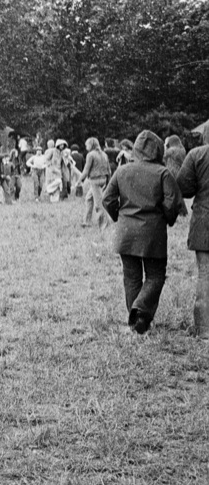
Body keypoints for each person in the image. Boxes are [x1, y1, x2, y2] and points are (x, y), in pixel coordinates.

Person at [102, 130, 179, 335]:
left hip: (125, 233)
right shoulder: (163, 173)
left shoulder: (122, 171)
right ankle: (140, 312)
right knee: (156, 276)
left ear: (135, 148)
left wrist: (120, 217)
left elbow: (107, 199)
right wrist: (167, 219)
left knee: (131, 278)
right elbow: (172, 203)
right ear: (158, 150)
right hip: (153, 234)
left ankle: (136, 322)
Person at [177, 123, 209, 337]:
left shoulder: (197, 154)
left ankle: (204, 329)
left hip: (204, 221)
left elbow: (184, 188)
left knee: (205, 275)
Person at [81, 137, 112, 227]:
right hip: (103, 179)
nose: (86, 146)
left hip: (95, 180)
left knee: (98, 204)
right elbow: (109, 170)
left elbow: (86, 170)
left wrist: (79, 181)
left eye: (87, 145)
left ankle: (104, 224)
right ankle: (86, 222)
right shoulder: (104, 154)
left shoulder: (90, 155)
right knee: (88, 199)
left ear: (91, 145)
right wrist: (108, 181)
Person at [164, 135, 188, 218]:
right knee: (177, 194)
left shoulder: (172, 150)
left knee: (174, 194)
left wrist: (165, 144)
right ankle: (182, 212)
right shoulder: (182, 149)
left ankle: (182, 212)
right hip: (180, 172)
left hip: (173, 173)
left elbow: (163, 155)